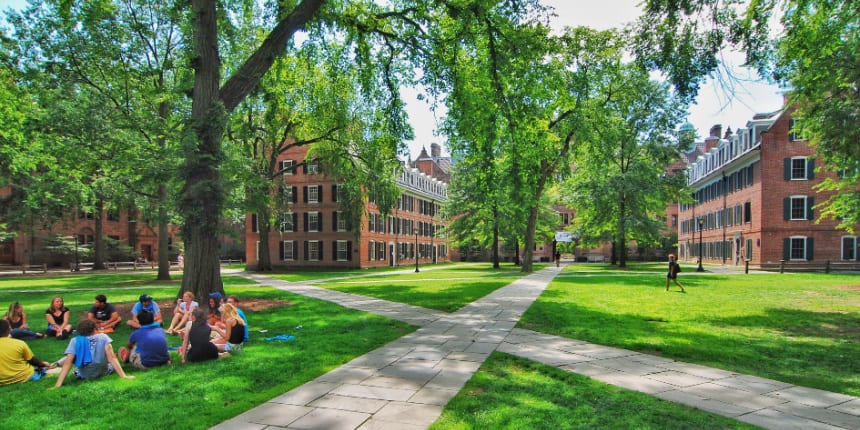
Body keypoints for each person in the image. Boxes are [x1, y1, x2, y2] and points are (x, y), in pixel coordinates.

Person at [52, 319, 134, 387]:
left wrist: (57, 385)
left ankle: (55, 364)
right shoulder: (103, 337)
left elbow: (68, 363)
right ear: (94, 329)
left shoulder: (75, 341)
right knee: (110, 358)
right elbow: (112, 358)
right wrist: (124, 376)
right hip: (104, 372)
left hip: (84, 375)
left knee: (74, 364)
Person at [0, 319, 51, 385]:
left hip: (2, 381)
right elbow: (32, 360)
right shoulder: (19, 343)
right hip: (23, 376)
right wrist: (43, 364)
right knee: (45, 369)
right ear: (9, 329)